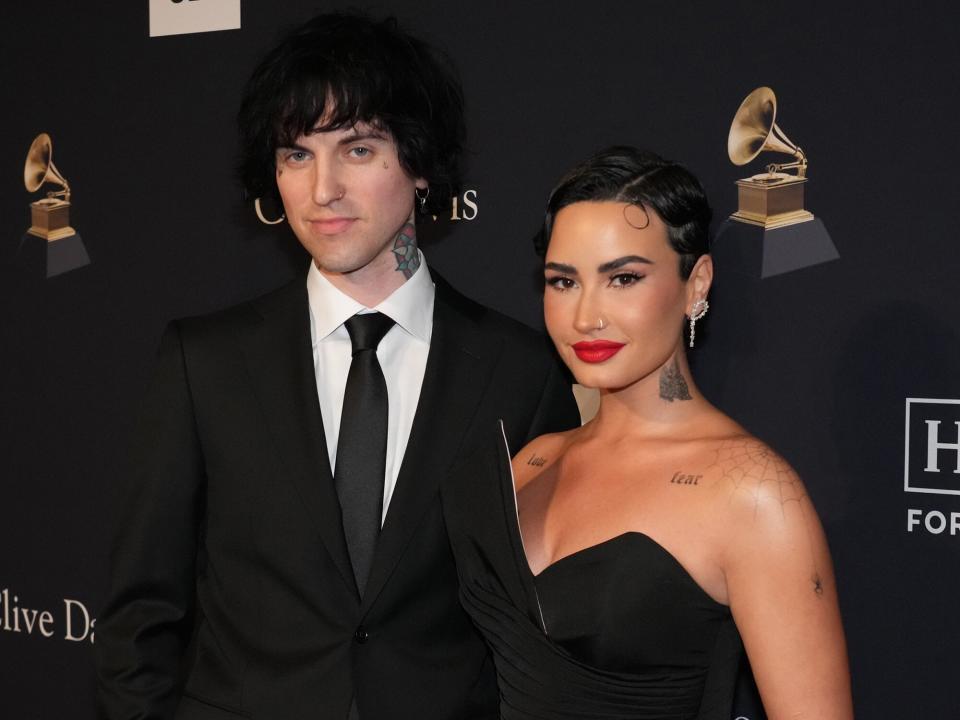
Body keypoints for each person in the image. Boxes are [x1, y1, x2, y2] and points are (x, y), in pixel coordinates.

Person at [94, 12, 580, 720]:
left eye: (356, 149)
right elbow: (139, 618)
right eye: (295, 154)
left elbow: (539, 636)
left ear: (418, 164)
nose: (321, 189)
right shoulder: (206, 362)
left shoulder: (518, 371)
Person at [442, 147, 854, 719]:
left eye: (624, 278)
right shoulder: (534, 460)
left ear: (697, 283)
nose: (586, 316)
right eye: (563, 282)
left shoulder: (751, 492)